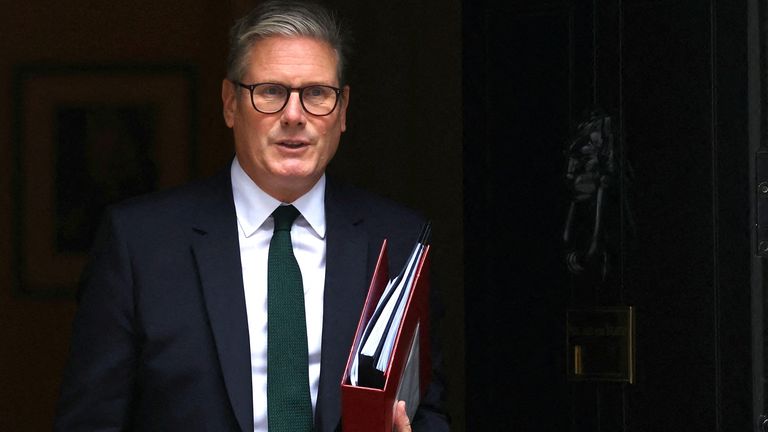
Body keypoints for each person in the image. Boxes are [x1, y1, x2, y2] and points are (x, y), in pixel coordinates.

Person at [54, 1, 448, 431]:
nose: (294, 115)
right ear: (230, 104)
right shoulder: (140, 244)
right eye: (271, 92)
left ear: (343, 109)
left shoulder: (400, 240)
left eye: (317, 93)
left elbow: (425, 412)